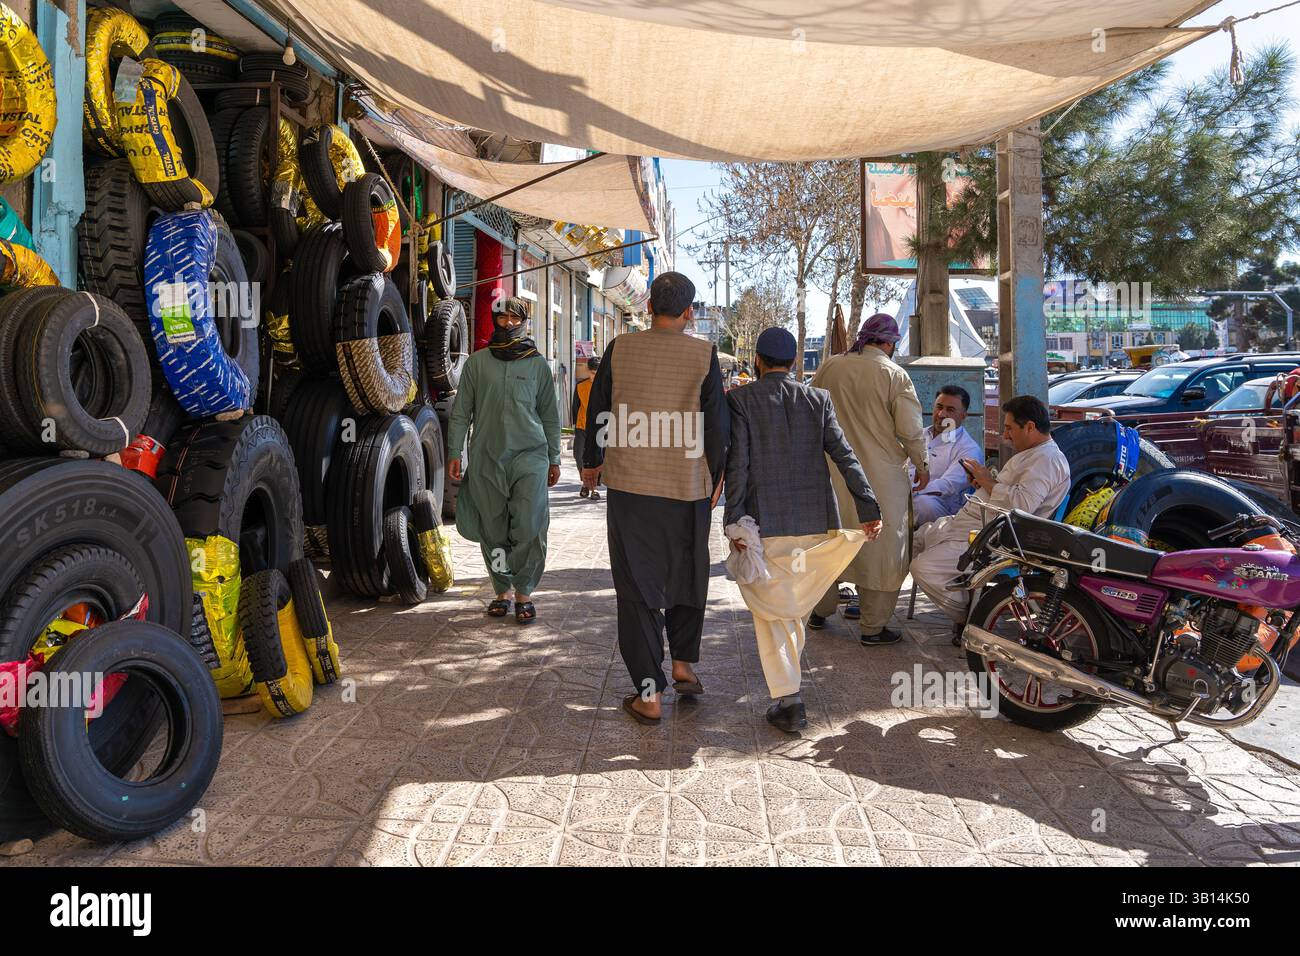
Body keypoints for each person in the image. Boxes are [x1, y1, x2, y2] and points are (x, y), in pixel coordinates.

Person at [581, 272, 729, 725]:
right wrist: (717, 476)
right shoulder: (704, 354)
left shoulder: (620, 348)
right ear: (689, 312)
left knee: (637, 587)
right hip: (687, 488)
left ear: (648, 307)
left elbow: (599, 410)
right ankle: (683, 665)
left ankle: (649, 694)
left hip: (631, 487)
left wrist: (592, 462)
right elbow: (716, 426)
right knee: (687, 571)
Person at [724, 327, 882, 732]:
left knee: (774, 614)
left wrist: (734, 519)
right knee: (792, 609)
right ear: (795, 363)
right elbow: (844, 457)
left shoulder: (741, 400)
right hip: (814, 524)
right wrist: (868, 506)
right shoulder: (818, 399)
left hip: (766, 521)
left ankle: (789, 700)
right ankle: (788, 693)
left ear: (757, 361)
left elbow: (738, 464)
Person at [809, 313, 928, 645]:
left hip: (832, 472)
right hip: (880, 477)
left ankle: (819, 611)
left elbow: (811, 413)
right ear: (889, 342)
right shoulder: (894, 374)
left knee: (830, 538)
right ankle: (873, 627)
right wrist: (923, 464)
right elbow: (911, 431)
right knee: (881, 546)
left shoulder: (830, 366)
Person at [910, 395, 1070, 639]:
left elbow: (1022, 504)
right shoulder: (1033, 454)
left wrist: (986, 481)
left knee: (922, 567)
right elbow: (1008, 492)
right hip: (968, 524)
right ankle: (878, 605)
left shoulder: (1045, 459)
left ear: (1029, 427)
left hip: (991, 538)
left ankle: (972, 617)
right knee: (907, 544)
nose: (1006, 436)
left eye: (1009, 429)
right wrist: (984, 481)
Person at [446, 296, 561, 625]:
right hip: (487, 458)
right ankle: (502, 591)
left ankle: (524, 590)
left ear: (524, 322)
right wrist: (456, 451)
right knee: (493, 530)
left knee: (529, 523)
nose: (508, 323)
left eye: (515, 317)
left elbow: (550, 417)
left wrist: (554, 457)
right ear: (494, 321)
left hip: (531, 457)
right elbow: (461, 413)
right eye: (502, 318)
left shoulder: (537, 365)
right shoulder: (477, 363)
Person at [913, 385, 983, 528]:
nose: (941, 414)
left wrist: (912, 491)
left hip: (942, 511)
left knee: (924, 505)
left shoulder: (969, 449)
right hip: (907, 498)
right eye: (939, 407)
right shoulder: (918, 435)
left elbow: (949, 485)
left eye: (950, 410)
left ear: (964, 415)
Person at [572, 355, 601, 501]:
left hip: (600, 429)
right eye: (593, 373)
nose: (595, 377)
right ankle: (585, 483)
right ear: (588, 371)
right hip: (582, 427)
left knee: (596, 459)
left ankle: (594, 489)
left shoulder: (605, 388)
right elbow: (575, 407)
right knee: (579, 457)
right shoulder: (580, 387)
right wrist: (574, 427)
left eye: (598, 373)